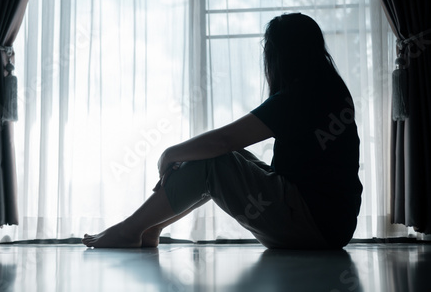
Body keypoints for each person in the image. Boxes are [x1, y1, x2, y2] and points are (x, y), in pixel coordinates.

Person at [82, 13, 363, 250]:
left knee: (214, 158)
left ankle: (129, 231)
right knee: (223, 154)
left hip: (309, 223)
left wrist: (170, 153)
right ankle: (150, 228)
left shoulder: (303, 93)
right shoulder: (326, 86)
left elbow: (223, 139)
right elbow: (228, 143)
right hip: (329, 225)